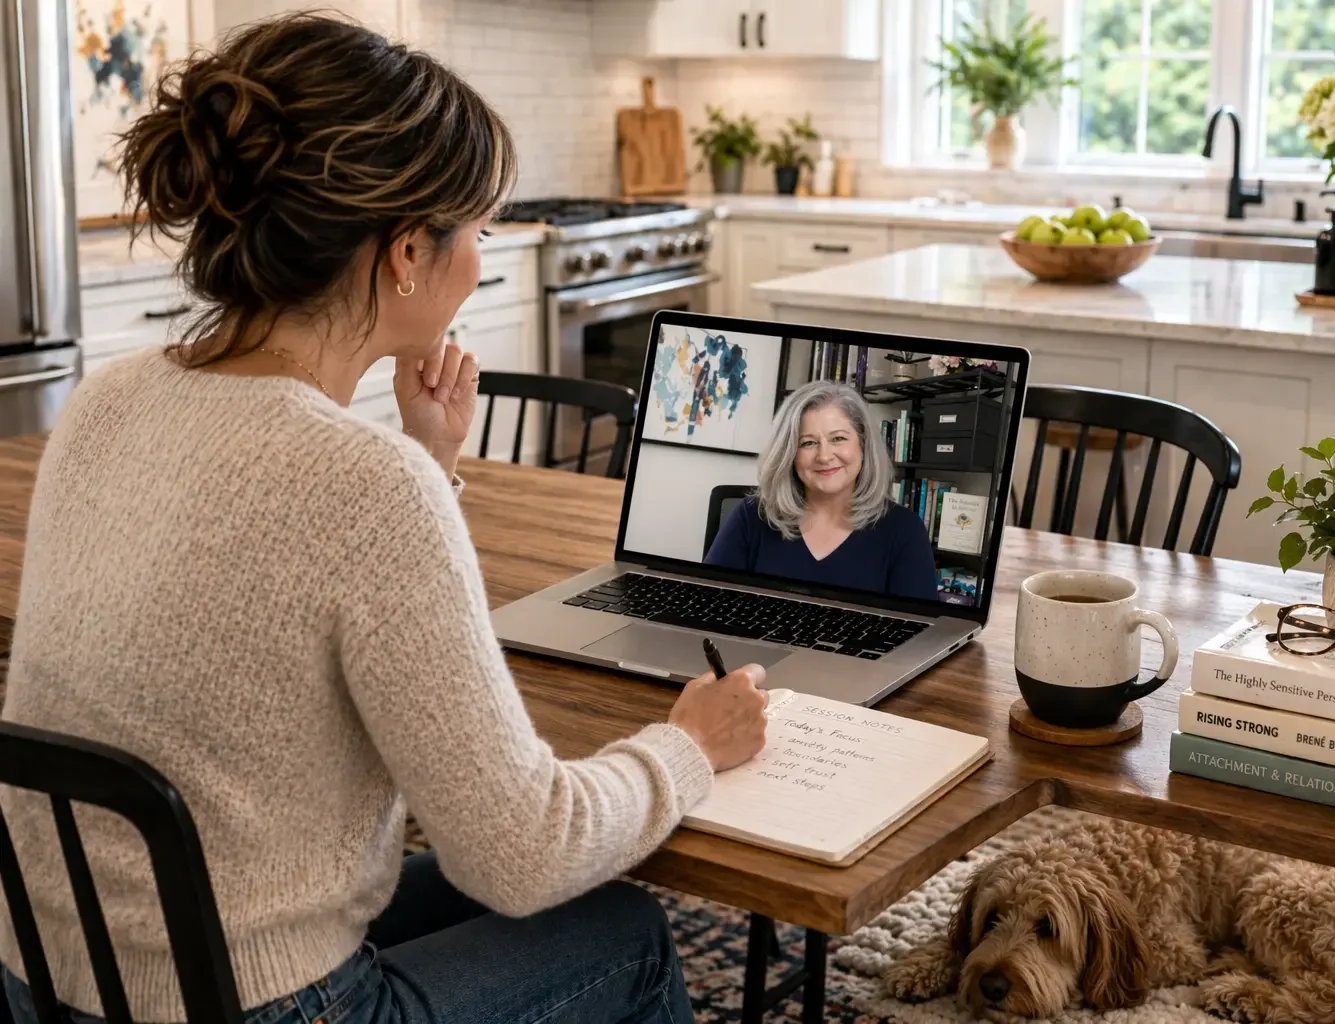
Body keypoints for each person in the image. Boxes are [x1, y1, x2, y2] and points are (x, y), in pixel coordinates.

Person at [0, 15, 769, 1024]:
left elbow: (296, 586)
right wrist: (687, 748)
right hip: (249, 1004)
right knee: (621, 932)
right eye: (478, 229)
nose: (483, 255)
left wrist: (429, 459)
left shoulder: (111, 399)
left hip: (51, 978)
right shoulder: (363, 486)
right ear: (407, 252)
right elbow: (522, 851)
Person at [705, 380, 938, 601]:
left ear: (863, 445)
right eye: (808, 443)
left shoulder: (905, 530)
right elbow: (705, 602)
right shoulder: (751, 516)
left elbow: (921, 636)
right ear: (789, 454)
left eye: (838, 439)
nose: (824, 456)